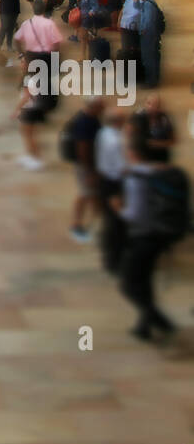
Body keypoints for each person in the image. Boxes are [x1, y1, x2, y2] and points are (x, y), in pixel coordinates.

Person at [113, 142, 178, 340]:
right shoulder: (160, 173)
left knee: (129, 284)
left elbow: (135, 214)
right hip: (162, 235)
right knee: (144, 280)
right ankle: (145, 326)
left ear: (134, 153)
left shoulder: (136, 178)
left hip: (144, 236)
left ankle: (158, 319)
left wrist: (118, 208)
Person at [65, 96, 104, 242]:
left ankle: (96, 225)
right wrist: (90, 171)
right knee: (84, 194)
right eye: (101, 106)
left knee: (93, 195)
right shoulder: (84, 122)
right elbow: (83, 149)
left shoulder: (90, 118)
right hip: (86, 167)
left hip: (89, 166)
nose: (104, 109)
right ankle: (76, 225)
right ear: (94, 107)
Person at [95, 110, 128, 274]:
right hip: (115, 183)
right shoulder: (116, 140)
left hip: (104, 181)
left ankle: (109, 252)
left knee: (109, 219)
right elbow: (122, 167)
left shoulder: (103, 133)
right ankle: (114, 260)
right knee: (117, 222)